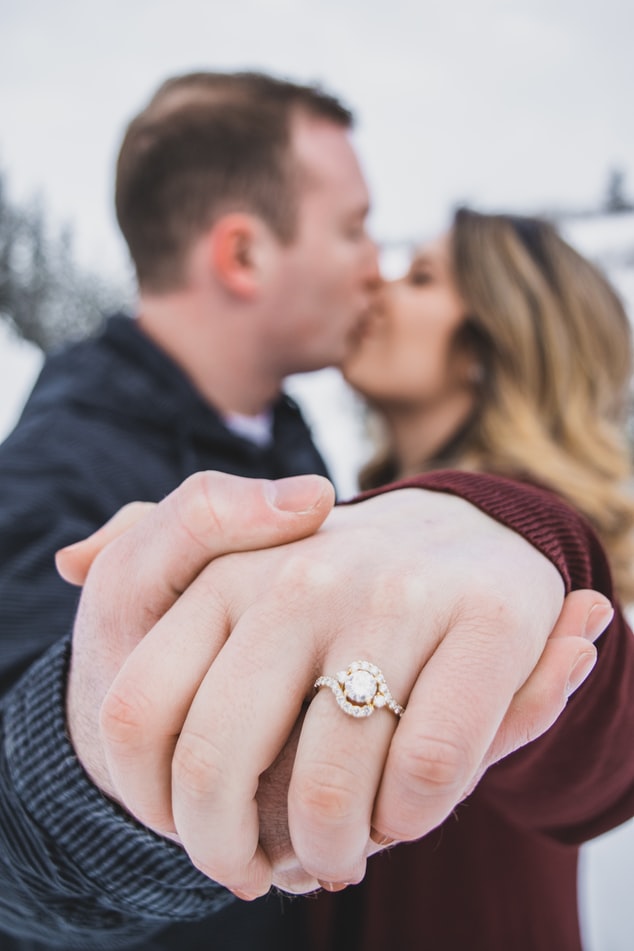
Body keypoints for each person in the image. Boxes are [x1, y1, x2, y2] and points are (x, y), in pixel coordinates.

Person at [0, 67, 629, 951]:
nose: (377, 268)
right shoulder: (61, 469)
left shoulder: (295, 453)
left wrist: (509, 520)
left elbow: (600, 752)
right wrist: (96, 760)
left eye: (413, 271)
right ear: (245, 254)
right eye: (357, 229)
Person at [299, 206, 634, 948]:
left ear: (491, 346)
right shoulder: (361, 516)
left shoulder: (541, 543)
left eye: (420, 278)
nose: (379, 289)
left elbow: (609, 749)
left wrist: (527, 544)